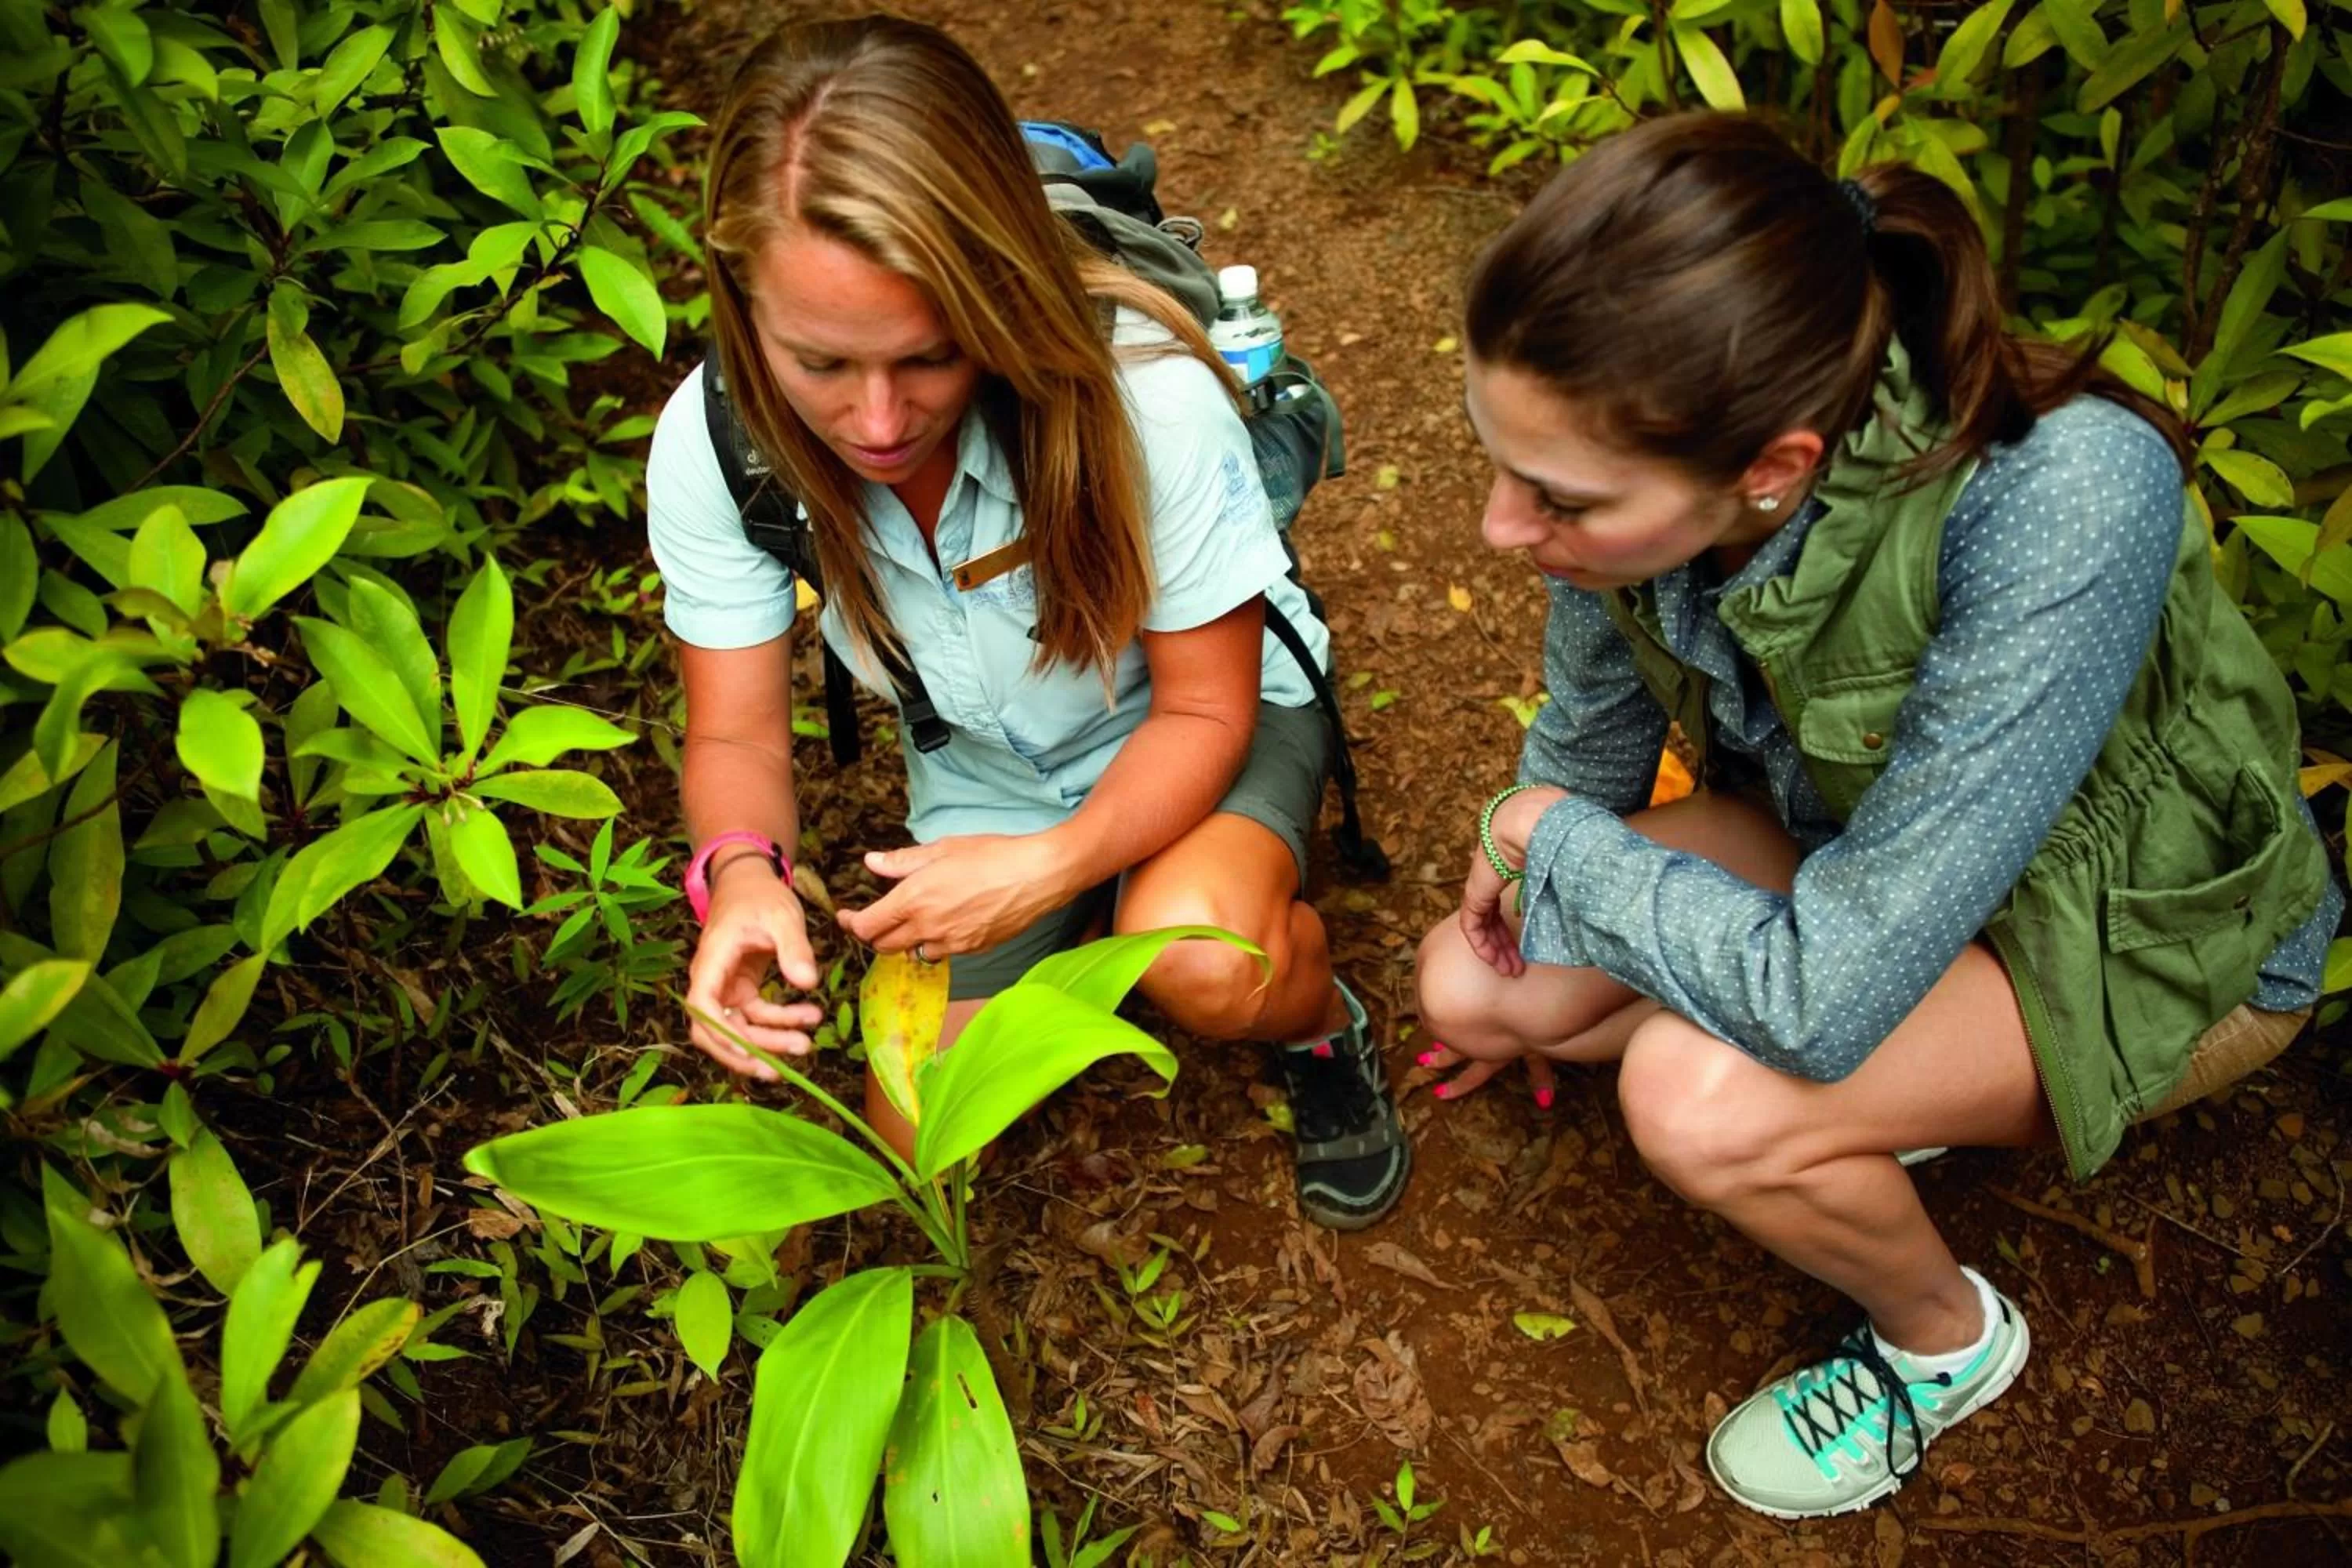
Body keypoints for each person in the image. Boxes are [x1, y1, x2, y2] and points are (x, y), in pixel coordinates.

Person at [1414, 113, 2340, 1519]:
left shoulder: (2064, 493)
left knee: (1693, 1098)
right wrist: (1531, 852)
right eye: (1500, 463)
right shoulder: (1647, 460)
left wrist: (1552, 846)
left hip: (2133, 949)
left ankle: (1944, 1345)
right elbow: (1590, 742)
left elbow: (1814, 1000)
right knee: (1475, 990)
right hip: (1876, 874)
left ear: (1771, 465)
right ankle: (1872, 1115)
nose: (1498, 528)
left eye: (1556, 499)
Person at [644, 16, 1409, 1229]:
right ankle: (1097, 904)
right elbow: (736, 740)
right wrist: (741, 875)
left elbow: (1209, 702)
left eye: (931, 356)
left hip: (1203, 719)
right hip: (992, 777)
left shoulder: (1139, 394)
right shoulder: (714, 439)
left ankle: (1320, 1031)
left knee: (1202, 958)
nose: (881, 420)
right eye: (821, 364)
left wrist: (1051, 870)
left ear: (997, 286)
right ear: (740, 303)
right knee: (917, 1125)